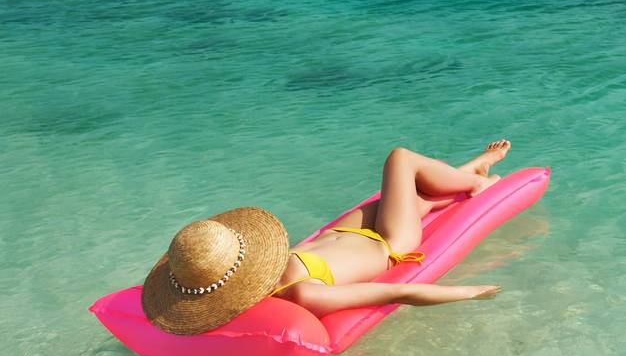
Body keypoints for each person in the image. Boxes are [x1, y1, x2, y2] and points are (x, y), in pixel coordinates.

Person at [141, 141, 511, 336]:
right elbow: (399, 293)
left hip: (347, 229)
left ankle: (467, 171)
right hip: (389, 240)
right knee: (400, 160)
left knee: (415, 194)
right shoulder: (303, 294)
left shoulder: (256, 259)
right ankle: (477, 178)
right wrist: (473, 292)